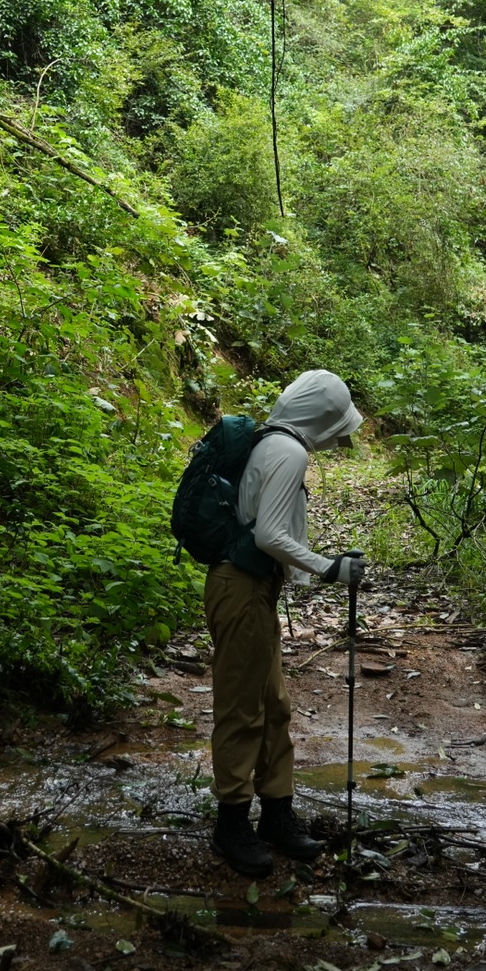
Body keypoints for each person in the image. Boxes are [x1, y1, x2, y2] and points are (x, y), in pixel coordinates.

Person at [206, 369, 365, 877]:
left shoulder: (272, 442)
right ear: (319, 417)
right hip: (243, 590)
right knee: (243, 710)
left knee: (273, 705)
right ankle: (231, 826)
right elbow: (270, 535)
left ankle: (276, 814)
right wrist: (329, 567)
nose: (338, 436)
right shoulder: (289, 451)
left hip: (252, 590)